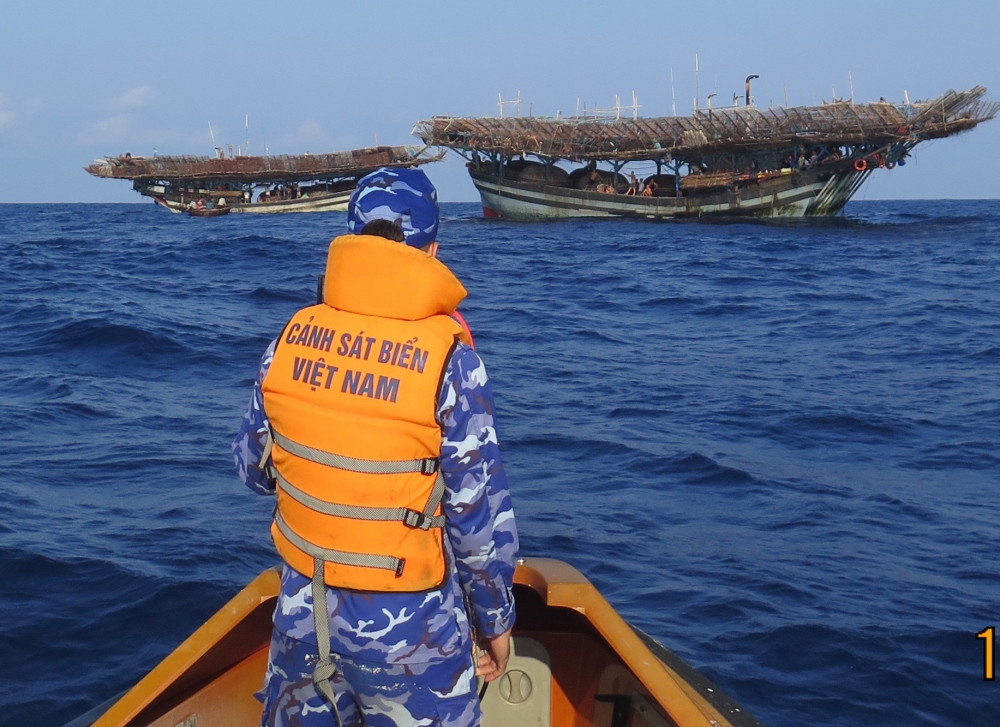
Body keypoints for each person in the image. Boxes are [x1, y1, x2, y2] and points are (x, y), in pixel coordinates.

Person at [233, 167, 518, 727]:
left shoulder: (289, 340)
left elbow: (251, 468)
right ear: (432, 249)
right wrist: (496, 623)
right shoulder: (450, 362)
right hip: (413, 630)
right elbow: (477, 518)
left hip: (303, 612)